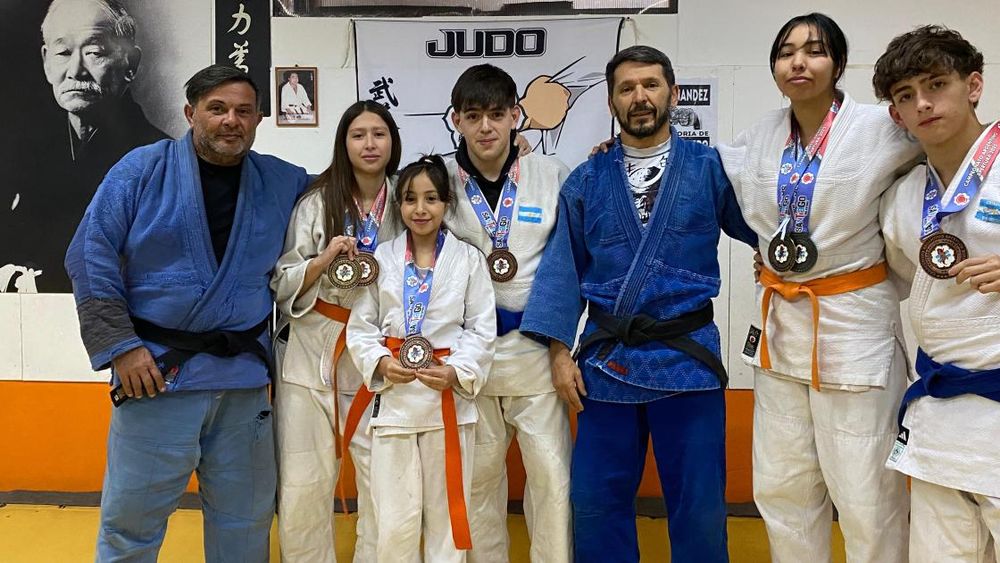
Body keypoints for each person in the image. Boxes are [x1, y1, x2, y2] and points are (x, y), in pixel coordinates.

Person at [520, 45, 757, 562]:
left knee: (698, 507)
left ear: (671, 92)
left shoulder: (708, 168)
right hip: (607, 362)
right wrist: (560, 353)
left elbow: (763, 227)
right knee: (596, 503)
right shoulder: (587, 180)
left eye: (650, 85)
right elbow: (563, 269)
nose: (640, 97)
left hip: (688, 359)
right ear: (611, 101)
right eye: (626, 88)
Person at [64, 64, 309, 562]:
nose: (230, 120)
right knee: (131, 523)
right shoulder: (141, 170)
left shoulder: (282, 180)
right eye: (216, 108)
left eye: (243, 110)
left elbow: (353, 192)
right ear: (190, 113)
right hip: (156, 377)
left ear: (259, 118)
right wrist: (121, 347)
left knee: (246, 522)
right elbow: (90, 254)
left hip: (242, 380)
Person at [715, 13, 921, 563]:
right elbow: (704, 172)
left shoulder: (883, 128)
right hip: (781, 323)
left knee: (864, 491)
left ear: (838, 64)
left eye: (815, 50)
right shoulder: (758, 138)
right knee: (783, 487)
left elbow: (957, 155)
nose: (799, 62)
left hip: (853, 324)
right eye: (787, 52)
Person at [875, 25, 1000, 563]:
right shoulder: (903, 198)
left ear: (972, 85)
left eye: (936, 85)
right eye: (906, 96)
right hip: (939, 421)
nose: (922, 104)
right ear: (896, 115)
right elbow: (897, 277)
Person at [445, 64, 572, 563]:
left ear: (517, 115)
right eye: (473, 116)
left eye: (497, 114)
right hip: (469, 359)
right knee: (478, 485)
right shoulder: (437, 180)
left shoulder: (552, 175)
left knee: (552, 480)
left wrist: (562, 346)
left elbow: (568, 265)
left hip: (536, 356)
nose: (486, 128)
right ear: (455, 119)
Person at [346, 155, 496, 562]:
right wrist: (378, 361)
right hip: (394, 402)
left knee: (447, 517)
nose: (420, 208)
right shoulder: (383, 256)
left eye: (431, 198)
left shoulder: (468, 259)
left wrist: (457, 371)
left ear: (447, 202)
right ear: (399, 206)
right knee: (394, 520)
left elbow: (482, 328)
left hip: (448, 402)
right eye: (410, 199)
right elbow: (361, 326)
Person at [271, 100, 401, 563]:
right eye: (358, 134)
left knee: (383, 479)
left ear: (393, 142)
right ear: (343, 143)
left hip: (378, 355)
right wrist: (322, 262)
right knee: (304, 481)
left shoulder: (408, 200)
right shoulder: (315, 203)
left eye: (379, 134)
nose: (369, 143)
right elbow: (282, 279)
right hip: (312, 351)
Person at [1, 0, 168, 293]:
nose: (75, 70)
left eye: (94, 53)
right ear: (46, 61)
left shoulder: (161, 158)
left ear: (130, 64)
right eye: (63, 52)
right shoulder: (22, 150)